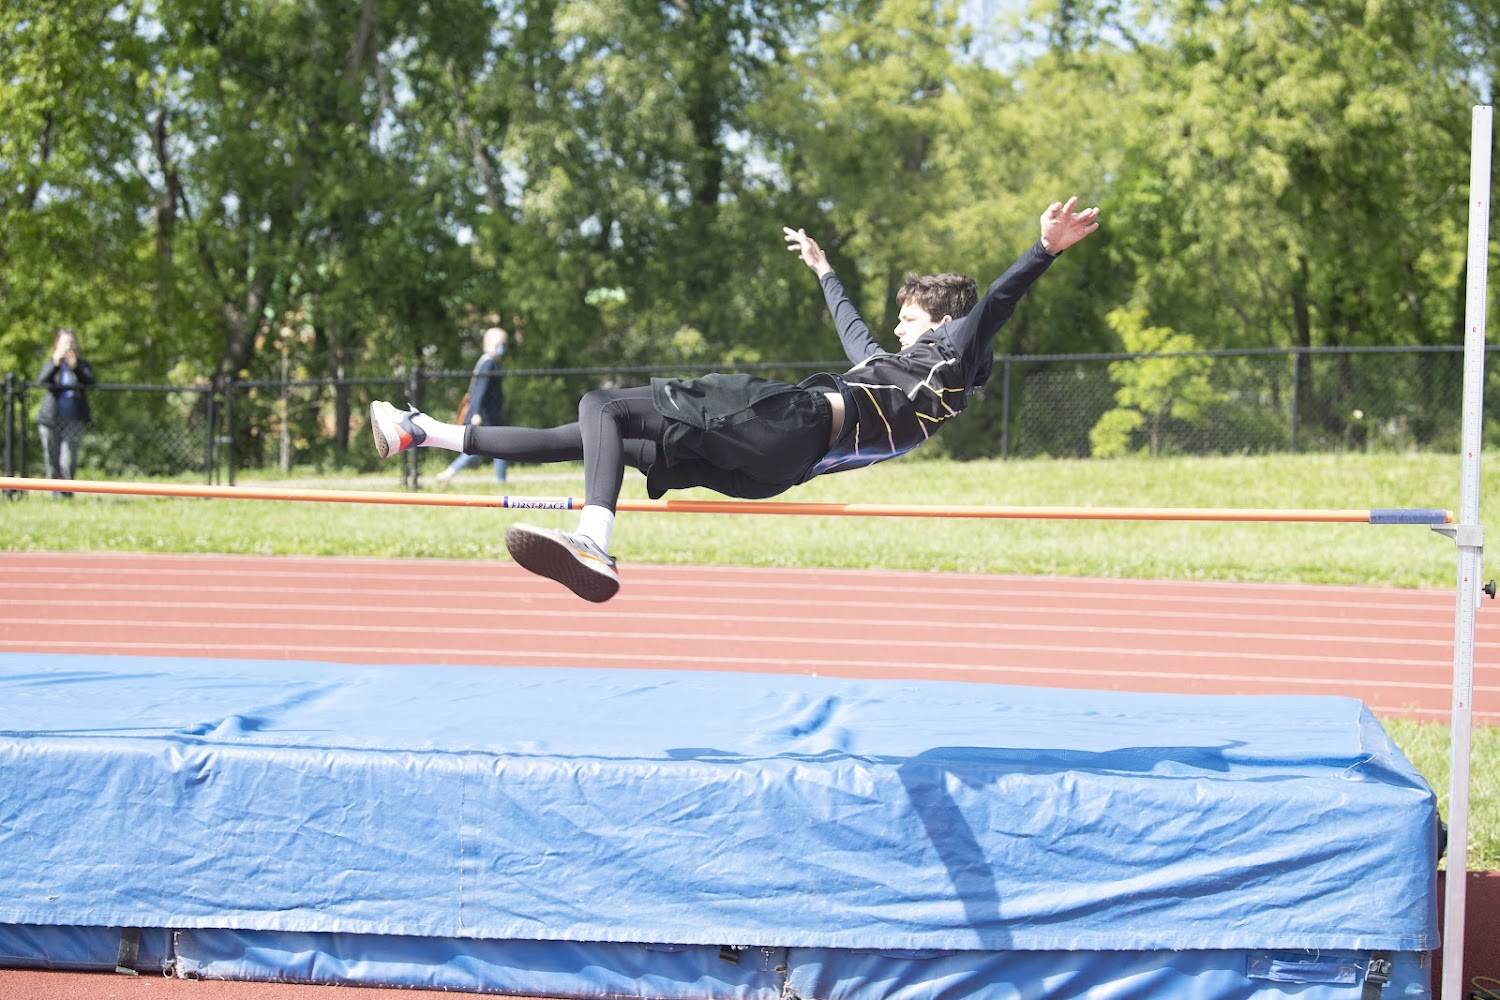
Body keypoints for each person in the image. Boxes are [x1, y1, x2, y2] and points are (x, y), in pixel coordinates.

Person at [370, 197, 1101, 602]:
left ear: (942, 322)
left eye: (908, 316)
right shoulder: (908, 379)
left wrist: (1043, 250)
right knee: (596, 439)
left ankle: (593, 540)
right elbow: (853, 333)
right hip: (777, 470)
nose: (898, 326)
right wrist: (824, 271)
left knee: (603, 406)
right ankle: (422, 432)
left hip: (789, 420)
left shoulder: (951, 351)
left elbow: (996, 302)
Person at [434, 326, 510, 489]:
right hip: (487, 415)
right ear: (488, 344)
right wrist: (475, 413)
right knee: (501, 447)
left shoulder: (490, 363)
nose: (501, 347)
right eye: (498, 344)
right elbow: (479, 391)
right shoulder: (488, 363)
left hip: (490, 414)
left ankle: (449, 473)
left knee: (485, 449)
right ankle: (501, 482)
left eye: (503, 344)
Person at [36, 328, 96, 498]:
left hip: (73, 419)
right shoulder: (51, 363)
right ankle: (54, 494)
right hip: (50, 419)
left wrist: (75, 366)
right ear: (57, 345)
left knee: (68, 460)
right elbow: (41, 380)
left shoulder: (81, 365)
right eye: (64, 343)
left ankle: (67, 494)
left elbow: (90, 381)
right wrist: (56, 363)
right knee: (52, 459)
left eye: (71, 343)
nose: (68, 347)